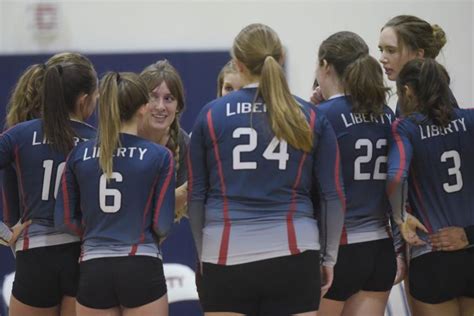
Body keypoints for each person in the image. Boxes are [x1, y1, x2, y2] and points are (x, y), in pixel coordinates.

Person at [188, 23, 345, 316]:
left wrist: (202, 256)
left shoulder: (210, 114)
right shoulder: (309, 116)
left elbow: (197, 196)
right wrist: (329, 258)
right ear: (280, 59)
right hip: (296, 252)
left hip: (224, 255)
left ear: (238, 64)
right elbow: (332, 195)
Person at [55, 72, 175, 316]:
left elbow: (64, 221)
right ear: (144, 108)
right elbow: (162, 225)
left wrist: (96, 230)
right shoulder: (159, 156)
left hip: (93, 269)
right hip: (140, 263)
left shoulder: (78, 155)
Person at [0, 55, 98, 316]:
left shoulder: (19, 134)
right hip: (82, 256)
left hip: (35, 257)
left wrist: (4, 231)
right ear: (83, 100)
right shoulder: (97, 141)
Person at [315, 31, 397, 316]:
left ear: (325, 66)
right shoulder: (387, 113)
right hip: (380, 248)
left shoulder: (322, 115)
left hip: (338, 250)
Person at [387, 58, 474, 316]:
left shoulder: (405, 127)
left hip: (432, 253)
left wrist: (400, 216)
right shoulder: (470, 119)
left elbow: (395, 177)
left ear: (408, 91)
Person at [378, 15, 458, 116]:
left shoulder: (432, 100)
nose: (382, 59)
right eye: (381, 50)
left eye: (391, 50)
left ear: (418, 55)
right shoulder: (410, 94)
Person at [139, 60, 189, 220]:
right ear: (139, 102)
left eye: (168, 98)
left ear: (178, 106)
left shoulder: (183, 142)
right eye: (153, 97)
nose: (160, 106)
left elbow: (183, 210)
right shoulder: (123, 137)